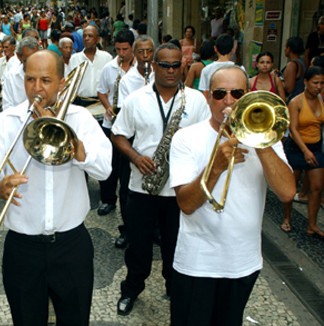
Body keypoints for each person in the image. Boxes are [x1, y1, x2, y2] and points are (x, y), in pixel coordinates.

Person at [0, 49, 112, 326]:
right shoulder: (6, 122)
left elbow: (105, 170)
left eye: (46, 80)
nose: (37, 89)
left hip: (71, 245)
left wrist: (77, 149)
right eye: (30, 80)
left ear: (62, 83)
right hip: (22, 248)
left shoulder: (81, 119)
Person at [169, 65, 295, 325]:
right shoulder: (186, 138)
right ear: (207, 96)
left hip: (242, 262)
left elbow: (287, 192)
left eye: (237, 93)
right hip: (197, 263)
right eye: (219, 94)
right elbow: (186, 204)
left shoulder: (268, 139)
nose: (228, 101)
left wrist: (258, 138)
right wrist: (215, 167)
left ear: (248, 96)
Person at [111, 43, 210, 316]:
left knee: (176, 247)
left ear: (183, 66)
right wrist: (135, 157)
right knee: (138, 247)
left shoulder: (196, 100)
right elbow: (118, 134)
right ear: (153, 66)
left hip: (180, 189)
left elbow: (207, 138)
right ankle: (131, 289)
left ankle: (174, 288)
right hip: (142, 188)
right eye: (164, 65)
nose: (170, 70)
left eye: (176, 65)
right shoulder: (136, 98)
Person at [113, 35, 155, 249]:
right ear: (135, 54)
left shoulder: (160, 75)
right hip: (132, 137)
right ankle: (128, 229)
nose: (146, 56)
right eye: (141, 52)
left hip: (155, 137)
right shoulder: (128, 80)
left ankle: (154, 228)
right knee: (127, 186)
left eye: (149, 52)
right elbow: (124, 114)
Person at [96, 29, 136, 218]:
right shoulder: (109, 68)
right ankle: (108, 200)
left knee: (128, 168)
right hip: (112, 123)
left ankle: (129, 205)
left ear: (132, 47)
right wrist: (108, 107)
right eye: (118, 49)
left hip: (133, 126)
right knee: (109, 165)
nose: (121, 53)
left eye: (125, 49)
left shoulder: (142, 69)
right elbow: (101, 91)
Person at [281, 66, 324, 238]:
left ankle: (311, 225)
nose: (318, 86)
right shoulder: (296, 102)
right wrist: (305, 151)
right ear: (305, 82)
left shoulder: (322, 100)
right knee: (290, 188)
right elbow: (293, 129)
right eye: (315, 82)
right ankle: (286, 218)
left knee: (317, 187)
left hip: (315, 147)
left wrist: (311, 150)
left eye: (322, 83)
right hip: (296, 147)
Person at [70, 25, 112, 106]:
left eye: (90, 36)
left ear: (97, 39)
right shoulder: (74, 59)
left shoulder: (107, 58)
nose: (86, 38)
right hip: (80, 103)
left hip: (101, 102)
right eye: (84, 36)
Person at [1, 36, 40, 110]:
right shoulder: (11, 76)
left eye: (35, 60)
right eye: (27, 61)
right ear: (19, 56)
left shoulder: (47, 74)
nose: (32, 64)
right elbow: (7, 106)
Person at [283, 36, 306, 103]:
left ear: (289, 49)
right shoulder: (302, 62)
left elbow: (289, 89)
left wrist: (277, 80)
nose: (284, 49)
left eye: (285, 47)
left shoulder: (292, 65)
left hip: (293, 100)